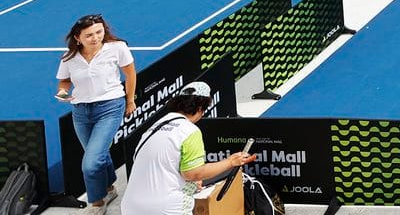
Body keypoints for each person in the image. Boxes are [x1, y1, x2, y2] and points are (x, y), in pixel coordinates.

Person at [121, 81, 256, 215]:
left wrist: (189, 184)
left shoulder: (153, 128)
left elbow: (159, 167)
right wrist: (230, 162)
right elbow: (193, 174)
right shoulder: (189, 131)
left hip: (130, 207)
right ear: (200, 108)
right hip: (166, 209)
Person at [56, 14, 137, 210]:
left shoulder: (117, 48)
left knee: (91, 162)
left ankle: (96, 202)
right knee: (99, 153)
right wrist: (63, 92)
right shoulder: (69, 57)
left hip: (110, 107)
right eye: (89, 34)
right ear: (78, 37)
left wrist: (130, 100)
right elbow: (64, 81)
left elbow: (130, 73)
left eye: (99, 32)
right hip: (80, 112)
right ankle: (109, 187)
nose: (96, 37)